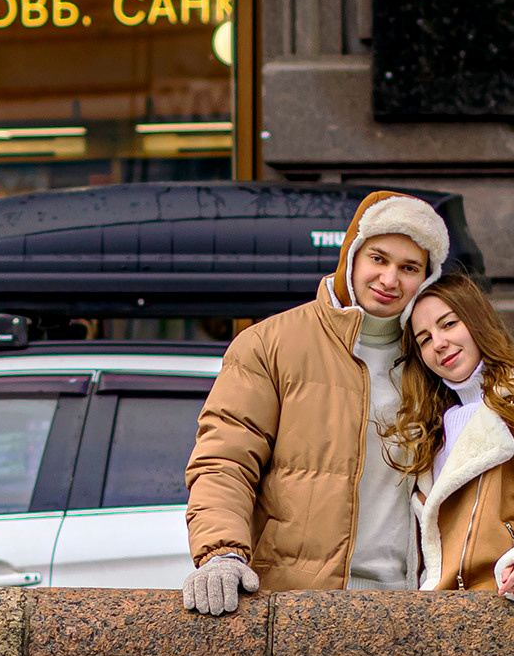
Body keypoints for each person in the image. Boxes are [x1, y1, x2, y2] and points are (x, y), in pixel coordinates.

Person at [182, 191, 452, 615]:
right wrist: (221, 552)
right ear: (352, 256)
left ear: (428, 278)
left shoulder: (437, 358)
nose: (389, 279)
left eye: (409, 267)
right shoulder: (269, 344)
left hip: (412, 604)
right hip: (298, 604)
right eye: (378, 259)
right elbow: (224, 461)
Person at [391, 276, 514, 604]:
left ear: (478, 322)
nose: (439, 343)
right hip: (444, 614)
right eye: (425, 339)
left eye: (449, 324)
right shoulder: (431, 427)